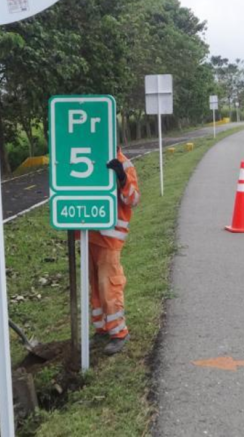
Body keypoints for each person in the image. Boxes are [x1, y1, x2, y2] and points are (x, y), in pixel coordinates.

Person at [90, 147, 140, 355]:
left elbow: (134, 199)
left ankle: (119, 332)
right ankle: (102, 329)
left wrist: (121, 176)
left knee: (108, 285)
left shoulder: (123, 162)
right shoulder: (89, 156)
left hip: (111, 237)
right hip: (89, 234)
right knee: (95, 287)